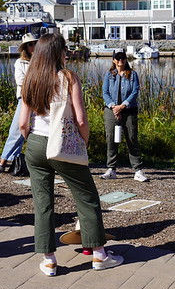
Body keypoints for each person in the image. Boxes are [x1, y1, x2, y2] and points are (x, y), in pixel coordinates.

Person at [19, 34, 123, 276]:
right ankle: (99, 254)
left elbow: (23, 123)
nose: (67, 54)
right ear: (57, 53)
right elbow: (80, 119)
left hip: (35, 144)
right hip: (63, 144)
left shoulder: (31, 79)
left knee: (43, 203)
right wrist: (83, 142)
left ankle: (48, 260)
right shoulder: (68, 77)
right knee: (86, 197)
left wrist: (32, 141)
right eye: (64, 50)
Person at [0, 33, 37, 174]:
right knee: (16, 130)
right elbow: (21, 81)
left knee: (38, 132)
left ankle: (33, 163)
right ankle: (3, 162)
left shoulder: (41, 62)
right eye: (30, 44)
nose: (33, 47)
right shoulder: (20, 63)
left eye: (34, 44)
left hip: (39, 100)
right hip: (26, 99)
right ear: (25, 48)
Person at [100, 51, 148, 182]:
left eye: (123, 58)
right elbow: (104, 92)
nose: (121, 60)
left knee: (131, 138)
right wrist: (113, 106)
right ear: (114, 60)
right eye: (118, 58)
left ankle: (137, 170)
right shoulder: (109, 75)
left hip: (129, 110)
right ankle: (111, 169)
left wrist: (123, 106)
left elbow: (135, 91)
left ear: (126, 60)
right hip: (111, 110)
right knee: (111, 138)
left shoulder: (132, 75)